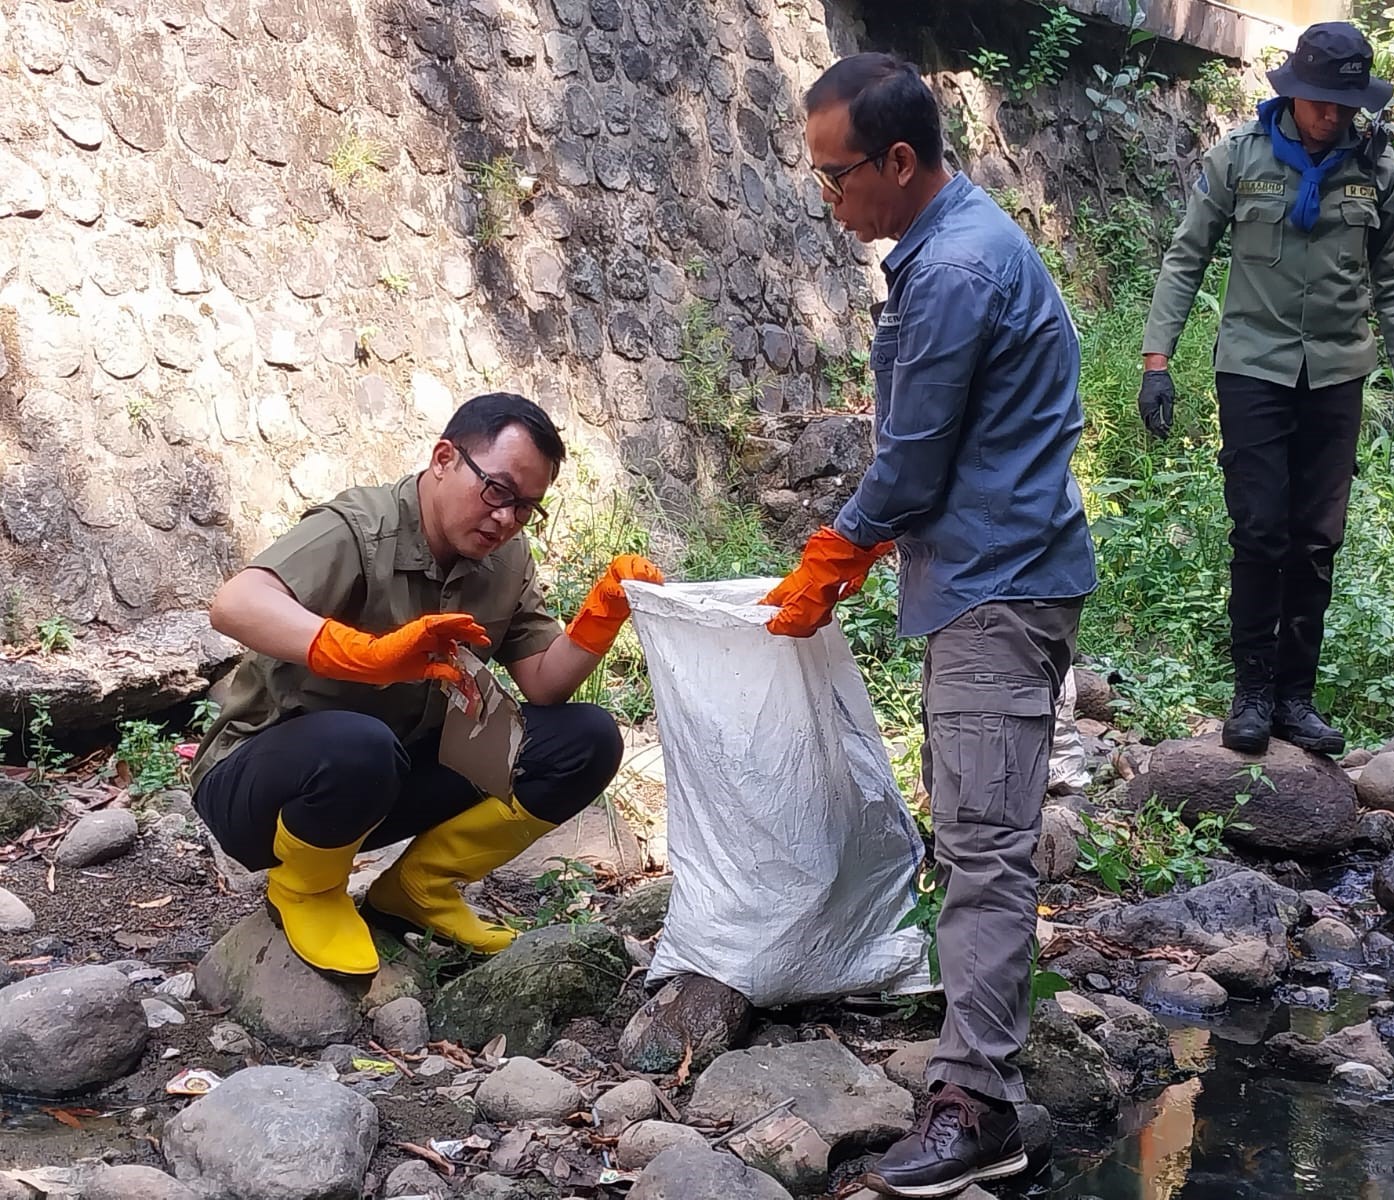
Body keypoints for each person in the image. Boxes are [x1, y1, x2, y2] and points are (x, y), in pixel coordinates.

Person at [763, 53, 1097, 1199]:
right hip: (992, 572)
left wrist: (840, 544)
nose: (830, 198)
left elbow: (913, 456)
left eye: (836, 175)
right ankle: (980, 1077)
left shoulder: (953, 267)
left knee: (986, 849)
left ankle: (978, 1110)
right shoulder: (952, 244)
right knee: (976, 832)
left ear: (899, 162)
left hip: (997, 587)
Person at [190, 392, 663, 981]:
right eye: (498, 491)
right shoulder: (359, 529)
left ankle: (420, 888)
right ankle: (307, 890)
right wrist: (368, 654)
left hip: (386, 781)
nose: (507, 519)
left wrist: (602, 615)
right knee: (357, 745)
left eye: (526, 507)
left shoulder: (506, 561)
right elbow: (236, 603)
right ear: (444, 458)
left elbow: (543, 684)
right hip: (268, 789)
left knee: (584, 738)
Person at [1139, 21, 1394, 758]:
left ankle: (1296, 700)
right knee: (1260, 530)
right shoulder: (1240, 158)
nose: (1333, 116)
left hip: (1337, 374)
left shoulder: (1373, 168)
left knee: (1315, 542)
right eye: (1321, 102)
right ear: (1293, 92)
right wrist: (1156, 361)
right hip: (1254, 369)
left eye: (1345, 105)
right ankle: (1252, 695)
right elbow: (1186, 259)